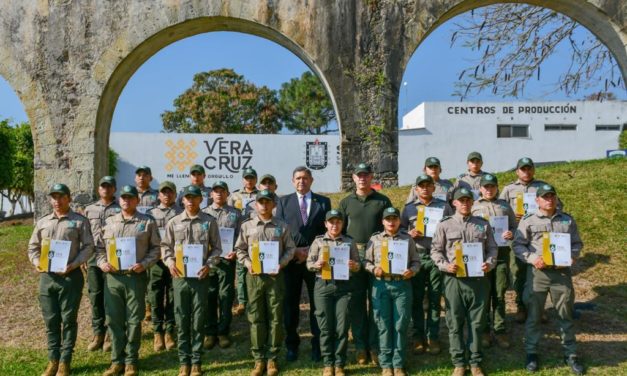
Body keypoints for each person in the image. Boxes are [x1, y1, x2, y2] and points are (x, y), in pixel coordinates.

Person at [513, 184, 584, 375]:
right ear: (537, 200)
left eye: (552, 196)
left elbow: (577, 243)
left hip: (561, 274)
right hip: (538, 274)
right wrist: (532, 258)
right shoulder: (528, 221)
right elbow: (518, 246)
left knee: (565, 314)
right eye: (545, 197)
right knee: (534, 315)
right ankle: (531, 353)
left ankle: (570, 353)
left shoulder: (567, 220)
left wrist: (572, 256)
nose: (549, 200)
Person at [28, 183, 94, 376]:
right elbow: (33, 247)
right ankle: (53, 359)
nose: (57, 201)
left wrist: (74, 264)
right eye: (54, 197)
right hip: (47, 278)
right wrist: (36, 263)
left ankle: (65, 361)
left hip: (70, 277)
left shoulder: (79, 221)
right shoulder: (42, 222)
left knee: (68, 319)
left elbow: (88, 247)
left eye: (61, 197)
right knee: (51, 320)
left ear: (69, 198)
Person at [431, 187, 497, 376]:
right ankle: (459, 363)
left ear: (472, 202)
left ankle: (475, 362)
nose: (465, 203)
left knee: (477, 323)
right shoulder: (444, 225)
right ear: (454, 203)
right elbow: (436, 251)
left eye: (468, 200)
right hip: (454, 280)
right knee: (455, 322)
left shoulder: (482, 224)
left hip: (478, 280)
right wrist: (445, 265)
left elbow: (492, 248)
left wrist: (489, 263)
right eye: (461, 200)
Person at [97, 185, 160, 376]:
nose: (126, 200)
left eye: (130, 198)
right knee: (114, 320)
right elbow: (99, 248)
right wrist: (102, 264)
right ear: (119, 199)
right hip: (113, 279)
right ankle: (117, 361)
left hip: (135, 278)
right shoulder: (109, 222)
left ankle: (131, 360)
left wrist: (144, 264)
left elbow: (156, 249)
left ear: (137, 200)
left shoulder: (147, 222)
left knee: (134, 319)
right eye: (123, 197)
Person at [162, 185, 222, 376]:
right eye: (187, 197)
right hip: (180, 278)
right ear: (182, 200)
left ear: (200, 200)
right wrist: (170, 263)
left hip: (200, 278)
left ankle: (196, 360)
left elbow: (217, 248)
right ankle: (183, 361)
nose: (190, 201)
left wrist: (209, 265)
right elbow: (166, 247)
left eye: (194, 197)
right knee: (182, 318)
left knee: (197, 319)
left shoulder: (209, 222)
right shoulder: (173, 222)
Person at [235, 189, 296, 376]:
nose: (264, 205)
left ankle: (272, 358)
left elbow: (291, 249)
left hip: (275, 278)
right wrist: (247, 264)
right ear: (255, 204)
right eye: (260, 202)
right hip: (254, 278)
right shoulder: (247, 226)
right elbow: (240, 250)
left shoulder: (282, 226)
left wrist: (281, 264)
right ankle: (258, 359)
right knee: (255, 318)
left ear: (273, 205)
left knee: (276, 318)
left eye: (267, 202)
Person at [338, 162, 392, 365]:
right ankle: (361, 346)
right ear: (353, 177)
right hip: (353, 255)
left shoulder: (382, 201)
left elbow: (391, 228)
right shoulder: (345, 202)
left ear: (371, 177)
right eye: (358, 175)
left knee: (378, 302)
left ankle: (375, 346)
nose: (362, 178)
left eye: (366, 175)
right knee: (357, 304)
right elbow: (338, 231)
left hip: (378, 255)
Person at [275, 166, 331, 362]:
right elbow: (280, 231)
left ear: (311, 180)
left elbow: (327, 232)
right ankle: (292, 345)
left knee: (318, 305)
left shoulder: (323, 202)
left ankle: (318, 346)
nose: (302, 181)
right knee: (290, 305)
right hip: (291, 262)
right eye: (298, 178)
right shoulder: (283, 202)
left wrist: (310, 253)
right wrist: (295, 252)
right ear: (292, 181)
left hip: (316, 262)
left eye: (305, 178)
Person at [400, 174, 453, 355]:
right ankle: (417, 336)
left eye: (427, 185)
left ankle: (433, 336)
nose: (424, 188)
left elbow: (452, 229)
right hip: (417, 257)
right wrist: (409, 233)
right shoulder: (408, 209)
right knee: (416, 298)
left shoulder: (444, 207)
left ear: (433, 188)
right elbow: (399, 231)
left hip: (437, 258)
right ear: (416, 189)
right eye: (421, 186)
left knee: (434, 298)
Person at [364, 207, 420, 376]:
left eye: (394, 218)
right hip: (381, 285)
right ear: (383, 221)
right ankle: (386, 364)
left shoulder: (407, 239)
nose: (391, 222)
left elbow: (416, 261)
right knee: (383, 325)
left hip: (401, 285)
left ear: (399, 221)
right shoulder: (374, 239)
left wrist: (412, 271)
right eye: (388, 219)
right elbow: (366, 261)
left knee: (400, 325)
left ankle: (398, 363)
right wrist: (374, 270)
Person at [500, 157, 556, 323]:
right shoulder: (509, 189)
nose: (526, 172)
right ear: (517, 171)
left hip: (539, 237)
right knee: (518, 272)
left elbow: (556, 206)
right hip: (517, 235)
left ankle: (539, 308)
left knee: (541, 273)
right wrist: (511, 215)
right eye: (523, 169)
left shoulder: (542, 187)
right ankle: (521, 307)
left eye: (529, 168)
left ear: (533, 170)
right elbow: (500, 209)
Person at [306, 209, 361, 376]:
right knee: (325, 327)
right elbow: (309, 264)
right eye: (331, 222)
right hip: (323, 286)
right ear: (325, 224)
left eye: (338, 222)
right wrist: (316, 265)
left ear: (342, 224)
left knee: (342, 327)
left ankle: (339, 363)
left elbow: (358, 265)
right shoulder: (318, 242)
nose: (334, 225)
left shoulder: (349, 242)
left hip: (344, 287)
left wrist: (354, 266)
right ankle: (328, 363)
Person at [471, 173, 516, 349]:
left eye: (492, 186)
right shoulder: (473, 207)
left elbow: (514, 226)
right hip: (480, 258)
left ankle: (499, 329)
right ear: (480, 189)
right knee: (483, 295)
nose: (489, 190)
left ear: (497, 187)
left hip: (501, 255)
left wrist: (511, 233)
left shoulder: (505, 206)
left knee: (499, 294)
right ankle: (484, 331)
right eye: (486, 187)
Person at [203, 181, 242, 350]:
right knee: (209, 296)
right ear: (211, 194)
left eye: (222, 191)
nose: (219, 194)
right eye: (215, 191)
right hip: (209, 262)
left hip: (227, 260)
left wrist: (235, 250)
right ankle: (210, 332)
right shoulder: (203, 213)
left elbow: (241, 237)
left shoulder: (236, 213)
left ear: (227, 194)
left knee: (225, 297)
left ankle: (223, 331)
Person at [84, 176, 120, 353]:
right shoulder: (89, 210)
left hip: (113, 258)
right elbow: (83, 235)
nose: (106, 189)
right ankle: (98, 332)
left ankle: (110, 334)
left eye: (109, 186)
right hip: (92, 258)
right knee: (95, 295)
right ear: (99, 189)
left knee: (111, 297)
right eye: (103, 186)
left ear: (114, 189)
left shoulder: (121, 209)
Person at [146, 181, 182, 352]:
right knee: (156, 296)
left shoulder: (181, 213)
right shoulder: (150, 214)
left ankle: (169, 330)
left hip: (176, 262)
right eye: (163, 192)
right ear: (158, 195)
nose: (167, 195)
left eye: (170, 192)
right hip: (156, 262)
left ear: (175, 195)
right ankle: (157, 331)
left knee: (173, 297)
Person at [229, 167, 260, 317]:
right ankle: (242, 301)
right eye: (246, 178)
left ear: (256, 179)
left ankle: (255, 299)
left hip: (256, 236)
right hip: (239, 236)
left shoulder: (261, 195)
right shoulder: (234, 196)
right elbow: (229, 213)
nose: (249, 180)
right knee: (240, 271)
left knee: (256, 268)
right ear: (242, 179)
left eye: (252, 178)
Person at [134, 165, 160, 322]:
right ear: (135, 178)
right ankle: (141, 304)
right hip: (135, 239)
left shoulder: (157, 196)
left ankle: (150, 306)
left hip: (151, 237)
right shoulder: (128, 195)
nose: (142, 177)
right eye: (139, 175)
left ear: (150, 178)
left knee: (150, 274)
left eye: (145, 175)